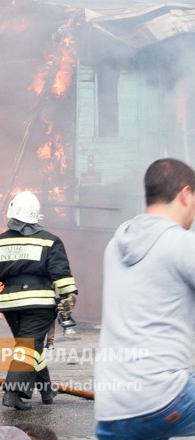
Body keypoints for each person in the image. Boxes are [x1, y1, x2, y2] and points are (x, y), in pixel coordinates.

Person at [95, 158, 195, 439]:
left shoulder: (115, 245)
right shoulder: (181, 243)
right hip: (164, 399)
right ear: (185, 194)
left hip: (111, 409)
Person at [0, 190, 78, 410]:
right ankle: (13, 393)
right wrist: (68, 295)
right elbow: (60, 273)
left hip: (10, 304)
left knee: (28, 347)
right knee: (29, 347)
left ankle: (46, 391)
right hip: (38, 303)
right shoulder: (50, 241)